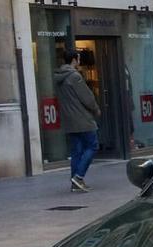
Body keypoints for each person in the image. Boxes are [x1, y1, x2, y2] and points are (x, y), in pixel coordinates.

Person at [54, 49, 100, 193]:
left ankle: (75, 183)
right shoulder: (74, 76)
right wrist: (96, 109)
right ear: (74, 59)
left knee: (76, 151)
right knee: (93, 146)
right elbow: (87, 98)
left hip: (69, 119)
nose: (79, 61)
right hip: (82, 119)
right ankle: (79, 177)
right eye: (78, 58)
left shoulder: (59, 77)